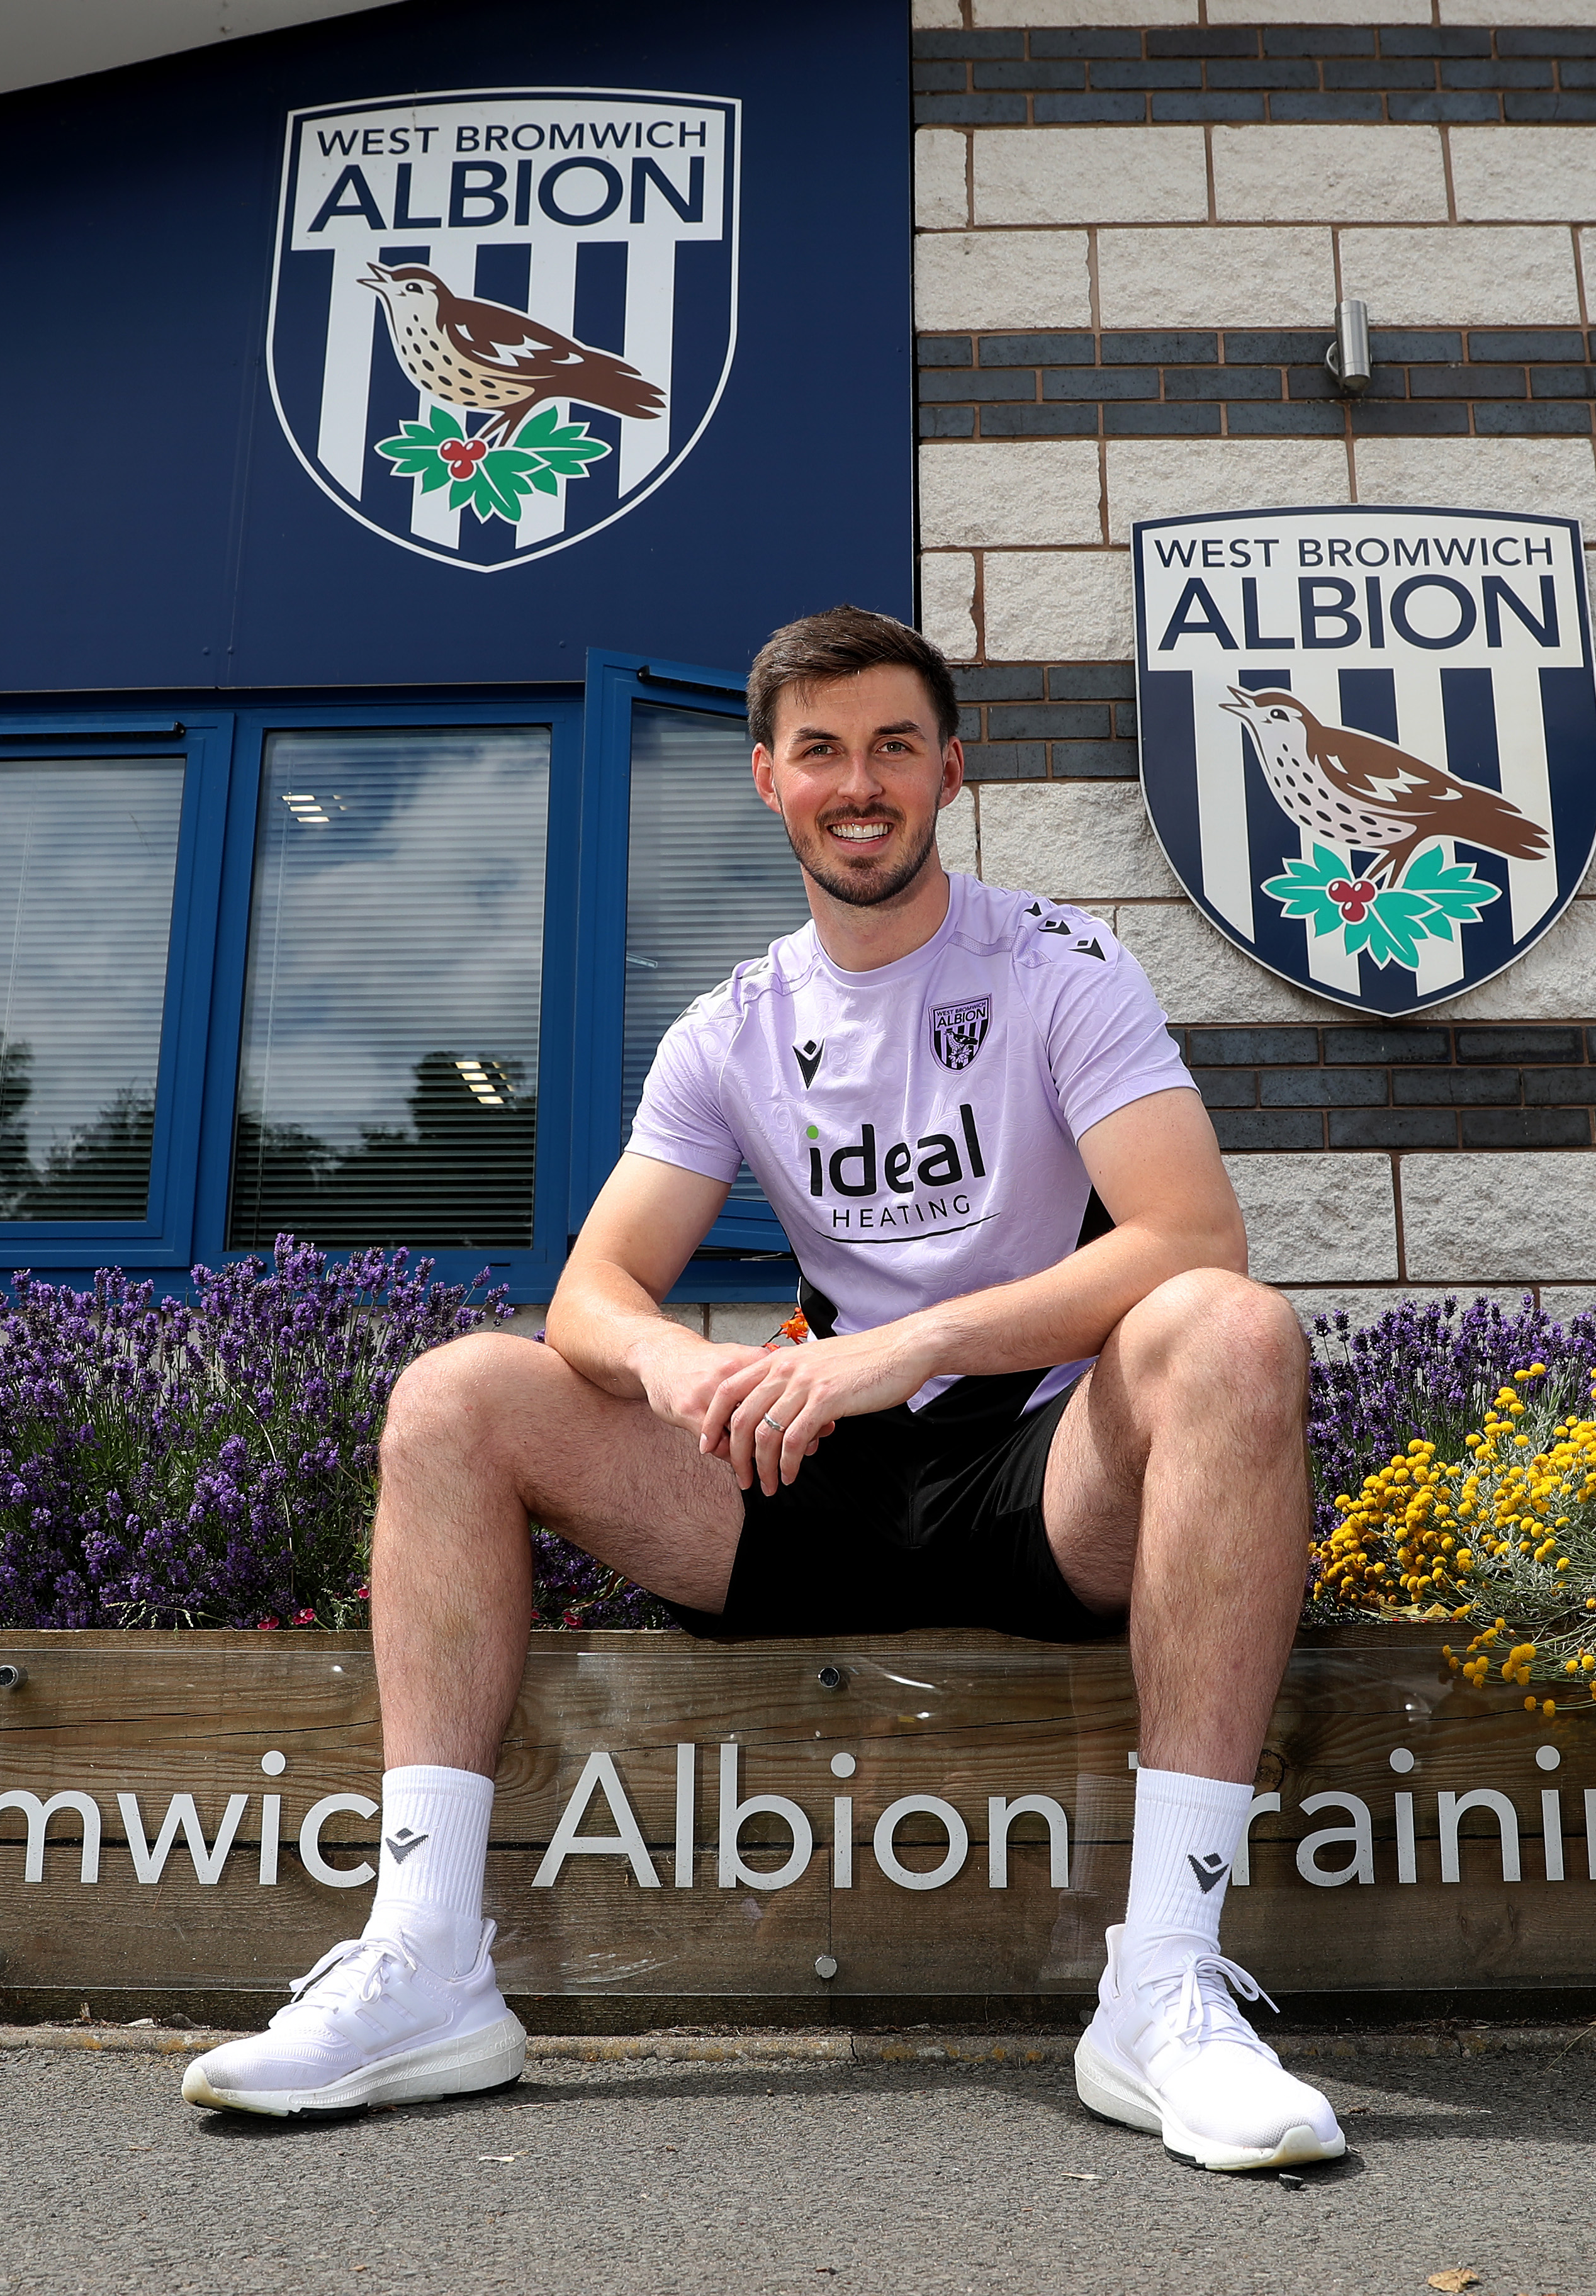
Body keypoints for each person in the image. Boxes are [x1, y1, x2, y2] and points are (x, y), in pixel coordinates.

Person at [184, 606, 1339, 2172]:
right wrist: (673, 1360)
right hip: (810, 1479)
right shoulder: (729, 1027)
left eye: (891, 746)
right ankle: (430, 1967)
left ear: (947, 767)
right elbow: (591, 1293)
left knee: (1229, 1330)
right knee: (456, 1396)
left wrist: (917, 1342)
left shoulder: (1063, 965)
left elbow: (1191, 1232)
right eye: (821, 753)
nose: (858, 783)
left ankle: (1166, 1987)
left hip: (1048, 1479)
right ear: (768, 780)